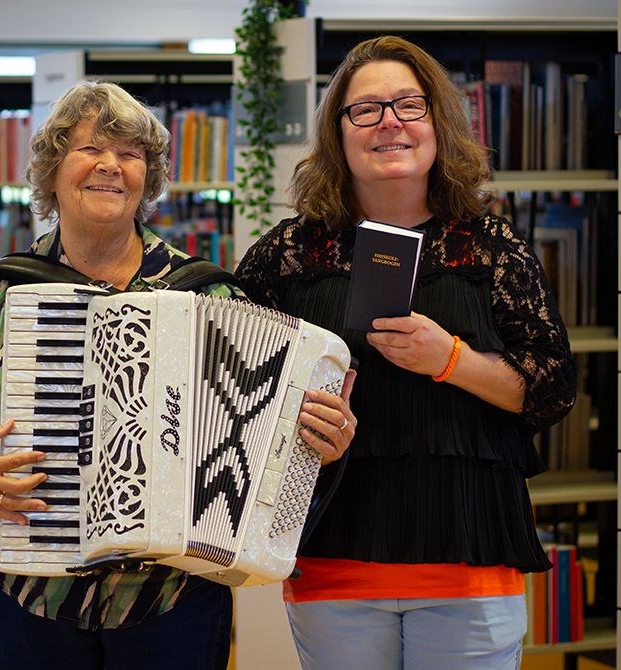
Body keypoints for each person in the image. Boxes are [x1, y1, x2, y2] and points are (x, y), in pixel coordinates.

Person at [0, 80, 355, 670]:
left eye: (130, 155)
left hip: (171, 599)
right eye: (88, 150)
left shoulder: (208, 295)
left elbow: (270, 446)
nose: (110, 166)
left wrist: (319, 442)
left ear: (147, 180)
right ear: (52, 171)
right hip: (27, 595)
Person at [234, 36, 576, 670]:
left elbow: (552, 388)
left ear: (437, 124)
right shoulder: (288, 256)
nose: (389, 121)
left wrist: (451, 359)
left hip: (468, 562)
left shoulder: (490, 248)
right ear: (338, 134)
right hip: (333, 559)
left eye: (408, 105)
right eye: (365, 109)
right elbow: (230, 398)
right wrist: (297, 422)